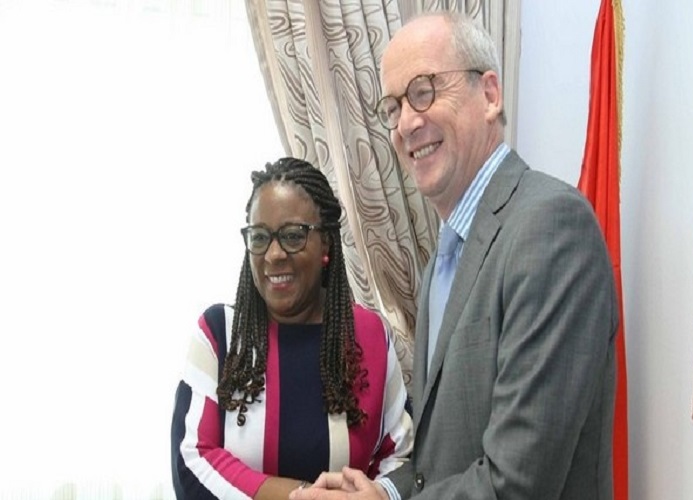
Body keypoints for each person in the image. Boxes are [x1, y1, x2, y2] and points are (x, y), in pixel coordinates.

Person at [291, 11, 618, 500]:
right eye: (393, 107)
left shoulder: (552, 228)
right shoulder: (442, 259)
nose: (406, 122)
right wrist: (383, 493)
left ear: (489, 95)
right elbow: (439, 461)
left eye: (423, 91)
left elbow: (518, 483)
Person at [170, 157, 414, 499]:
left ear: (325, 243)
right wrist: (301, 496)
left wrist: (374, 495)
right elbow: (191, 461)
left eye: (292, 236)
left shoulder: (367, 334)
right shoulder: (219, 334)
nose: (273, 255)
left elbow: (403, 458)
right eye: (260, 237)